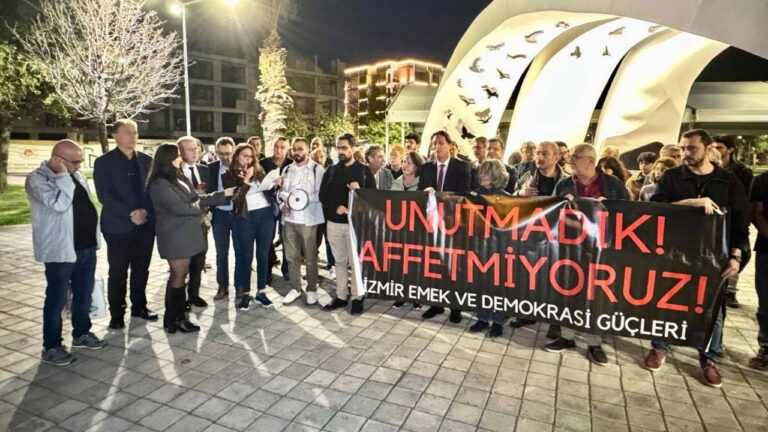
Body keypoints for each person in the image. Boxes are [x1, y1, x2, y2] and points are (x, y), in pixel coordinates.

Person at [645, 129, 748, 388]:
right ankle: (659, 346)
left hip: (714, 256)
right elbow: (657, 209)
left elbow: (740, 222)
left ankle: (708, 358)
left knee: (712, 309)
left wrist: (736, 256)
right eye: (682, 148)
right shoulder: (672, 177)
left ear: (708, 148)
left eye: (691, 148)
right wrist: (691, 202)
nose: (685, 153)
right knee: (667, 301)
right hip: (675, 252)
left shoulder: (728, 182)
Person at [545, 143, 630, 365]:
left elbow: (629, 212)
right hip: (571, 248)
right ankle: (567, 337)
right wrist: (562, 204)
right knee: (569, 290)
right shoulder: (564, 184)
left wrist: (609, 207)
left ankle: (594, 343)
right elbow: (551, 211)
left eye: (575, 157)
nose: (570, 161)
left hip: (602, 250)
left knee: (596, 295)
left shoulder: (612, 184)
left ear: (590, 161)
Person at [26, 140, 107, 365]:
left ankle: (81, 333)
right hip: (61, 251)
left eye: (80, 161)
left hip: (86, 247)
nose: (79, 166)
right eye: (75, 161)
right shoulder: (37, 179)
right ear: (58, 159)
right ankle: (51, 346)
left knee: (84, 294)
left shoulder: (76, 175)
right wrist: (62, 175)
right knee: (57, 299)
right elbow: (60, 204)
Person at [148, 144, 233, 333]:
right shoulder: (160, 183)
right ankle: (176, 318)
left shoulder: (178, 176)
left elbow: (197, 199)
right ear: (168, 159)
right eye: (178, 155)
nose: (181, 158)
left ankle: (174, 318)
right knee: (178, 276)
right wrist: (201, 209)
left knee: (179, 276)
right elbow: (180, 208)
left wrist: (223, 195)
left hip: (185, 233)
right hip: (175, 235)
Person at [93, 119, 157, 330]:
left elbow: (153, 192)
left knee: (142, 268)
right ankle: (117, 313)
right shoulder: (104, 162)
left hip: (145, 225)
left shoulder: (147, 161)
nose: (133, 136)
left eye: (135, 132)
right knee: (118, 271)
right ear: (115, 136)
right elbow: (105, 195)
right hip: (118, 226)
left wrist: (145, 211)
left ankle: (139, 306)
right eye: (128, 132)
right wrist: (130, 214)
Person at [508, 141, 566, 329]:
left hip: (556, 238)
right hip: (530, 236)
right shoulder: (527, 176)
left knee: (555, 279)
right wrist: (520, 193)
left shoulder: (566, 181)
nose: (539, 157)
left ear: (557, 157)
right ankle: (527, 313)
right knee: (529, 276)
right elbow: (511, 199)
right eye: (538, 153)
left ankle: (555, 322)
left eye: (544, 153)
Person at [319, 133, 376, 315]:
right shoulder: (332, 170)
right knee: (339, 261)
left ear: (353, 148)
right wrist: (335, 207)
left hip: (355, 225)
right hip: (334, 224)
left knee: (356, 262)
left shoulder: (364, 171)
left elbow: (373, 198)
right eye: (338, 148)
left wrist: (358, 192)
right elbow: (323, 195)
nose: (341, 151)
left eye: (344, 148)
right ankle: (341, 296)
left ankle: (358, 297)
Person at [419, 131, 472, 323]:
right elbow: (420, 192)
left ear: (450, 145)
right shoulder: (426, 167)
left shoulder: (462, 167)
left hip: (454, 223)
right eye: (434, 143)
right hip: (432, 224)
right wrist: (426, 192)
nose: (437, 146)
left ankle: (455, 307)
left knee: (454, 265)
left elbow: (464, 193)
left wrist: (441, 196)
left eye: (441, 143)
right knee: (435, 264)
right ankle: (436, 304)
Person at [223, 144, 281, 310]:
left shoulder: (259, 171)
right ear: (236, 156)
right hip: (245, 218)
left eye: (250, 156)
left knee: (263, 253)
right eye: (244, 156)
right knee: (246, 255)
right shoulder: (228, 175)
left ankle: (261, 291)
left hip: (265, 215)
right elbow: (235, 198)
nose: (248, 159)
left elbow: (268, 191)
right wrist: (246, 180)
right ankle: (246, 293)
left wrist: (274, 184)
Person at [279, 138, 326, 306]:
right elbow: (281, 192)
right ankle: (295, 288)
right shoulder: (287, 169)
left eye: (300, 149)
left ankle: (312, 289)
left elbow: (321, 193)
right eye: (294, 149)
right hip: (289, 219)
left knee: (310, 257)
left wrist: (299, 199)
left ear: (307, 150)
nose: (297, 152)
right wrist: (283, 205)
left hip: (309, 219)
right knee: (291, 257)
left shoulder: (317, 169)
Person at [468, 160, 511, 338]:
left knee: (499, 285)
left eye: (486, 172)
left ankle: (498, 321)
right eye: (481, 171)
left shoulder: (507, 198)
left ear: (496, 175)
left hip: (499, 248)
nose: (482, 175)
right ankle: (482, 318)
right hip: (480, 246)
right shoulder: (474, 195)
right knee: (481, 283)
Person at [713, 135, 753, 308]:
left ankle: (730, 291)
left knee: (736, 253)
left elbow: (745, 200)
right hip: (714, 221)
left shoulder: (741, 171)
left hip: (733, 219)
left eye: (720, 147)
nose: (715, 150)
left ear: (730, 149)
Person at [177, 136, 211, 309]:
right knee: (183, 264)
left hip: (202, 222)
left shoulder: (204, 169)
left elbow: (212, 193)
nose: (195, 151)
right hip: (183, 224)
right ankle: (180, 299)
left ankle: (194, 294)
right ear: (180, 152)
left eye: (196, 148)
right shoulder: (175, 172)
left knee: (199, 260)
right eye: (190, 149)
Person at [390, 151, 425, 310]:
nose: (404, 165)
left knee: (415, 264)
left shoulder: (422, 184)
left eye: (409, 162)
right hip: (398, 230)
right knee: (399, 263)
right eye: (403, 161)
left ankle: (416, 297)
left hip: (416, 230)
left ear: (417, 166)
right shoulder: (396, 183)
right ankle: (400, 295)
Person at [206, 137, 237, 301]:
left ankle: (241, 286)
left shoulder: (242, 166)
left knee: (241, 252)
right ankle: (222, 286)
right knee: (221, 253)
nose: (225, 157)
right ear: (216, 152)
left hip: (238, 215)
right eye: (221, 154)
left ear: (234, 151)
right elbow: (206, 192)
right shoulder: (210, 168)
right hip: (219, 216)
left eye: (228, 153)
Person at [262, 137, 293, 282]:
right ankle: (267, 269)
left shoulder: (292, 165)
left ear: (288, 149)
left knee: (287, 238)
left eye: (282, 147)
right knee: (267, 238)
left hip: (286, 206)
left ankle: (286, 269)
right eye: (276, 146)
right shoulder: (264, 163)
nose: (279, 150)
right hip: (267, 205)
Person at [749, 170, 768, 370]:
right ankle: (766, 347)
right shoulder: (763, 180)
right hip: (766, 250)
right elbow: (756, 213)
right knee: (766, 302)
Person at [311, 147, 336, 278]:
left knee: (329, 240)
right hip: (312, 212)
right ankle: (312, 268)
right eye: (316, 156)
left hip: (325, 211)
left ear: (326, 158)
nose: (319, 159)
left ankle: (332, 265)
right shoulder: (309, 171)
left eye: (322, 156)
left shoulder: (329, 172)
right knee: (313, 241)